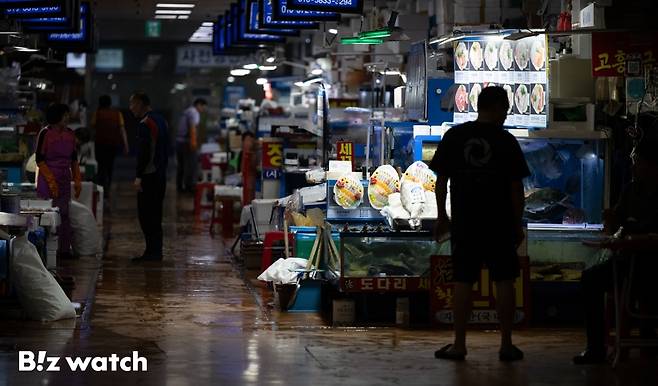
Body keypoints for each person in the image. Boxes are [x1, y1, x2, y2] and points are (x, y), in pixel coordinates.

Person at [429, 86, 529, 361]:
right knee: (504, 281)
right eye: (505, 108)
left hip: (466, 221)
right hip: (500, 223)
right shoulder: (506, 141)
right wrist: (517, 223)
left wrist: (442, 216)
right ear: (495, 107)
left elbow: (441, 182)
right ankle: (506, 344)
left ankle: (459, 344)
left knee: (463, 281)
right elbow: (515, 189)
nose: (507, 114)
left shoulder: (455, 136)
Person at [574, 138, 658, 364]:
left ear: (653, 166)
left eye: (638, 162)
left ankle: (647, 342)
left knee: (645, 291)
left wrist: (638, 238)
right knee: (590, 279)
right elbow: (617, 220)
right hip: (626, 261)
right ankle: (595, 348)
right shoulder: (631, 189)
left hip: (652, 265)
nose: (634, 167)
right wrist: (610, 223)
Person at [36, 103, 82, 259]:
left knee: (65, 214)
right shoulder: (45, 133)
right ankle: (47, 253)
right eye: (65, 115)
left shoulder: (70, 134)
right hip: (48, 178)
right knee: (49, 215)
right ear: (56, 117)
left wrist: (77, 178)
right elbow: (39, 159)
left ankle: (64, 251)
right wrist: (51, 181)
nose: (67, 117)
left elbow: (74, 158)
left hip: (64, 178)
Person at [129, 91, 169, 262]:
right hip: (160, 175)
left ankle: (152, 253)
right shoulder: (161, 120)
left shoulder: (145, 123)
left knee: (146, 215)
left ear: (141, 104)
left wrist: (138, 176)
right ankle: (155, 251)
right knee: (156, 214)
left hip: (149, 175)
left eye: (133, 104)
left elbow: (144, 154)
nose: (130, 108)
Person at [92, 95, 129, 198]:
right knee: (110, 167)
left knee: (101, 167)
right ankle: (107, 189)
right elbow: (122, 130)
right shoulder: (118, 114)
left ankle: (101, 190)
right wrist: (126, 145)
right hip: (112, 145)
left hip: (100, 145)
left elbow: (93, 129)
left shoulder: (97, 113)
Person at [176, 98, 207, 193]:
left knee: (181, 166)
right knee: (192, 165)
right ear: (199, 105)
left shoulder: (187, 111)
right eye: (203, 107)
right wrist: (194, 144)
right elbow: (193, 128)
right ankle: (191, 187)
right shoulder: (194, 113)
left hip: (179, 142)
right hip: (187, 142)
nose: (203, 110)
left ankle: (180, 187)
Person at [240, 130, 257, 206]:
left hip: (251, 185)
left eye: (250, 140)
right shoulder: (241, 154)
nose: (248, 143)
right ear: (242, 142)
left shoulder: (253, 155)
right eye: (247, 140)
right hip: (244, 185)